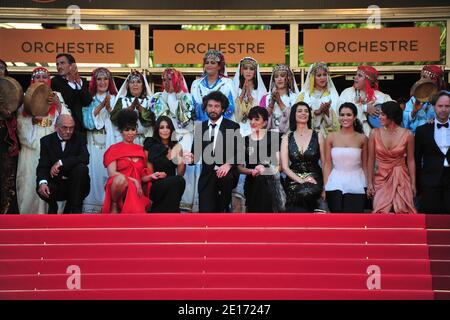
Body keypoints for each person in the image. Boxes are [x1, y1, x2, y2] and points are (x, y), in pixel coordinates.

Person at [17, 67, 71, 214]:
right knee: (29, 181)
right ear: (33, 80)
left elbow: (67, 121)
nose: (41, 80)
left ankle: (51, 218)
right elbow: (20, 124)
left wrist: (58, 105)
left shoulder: (56, 95)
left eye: (44, 77)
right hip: (32, 144)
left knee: (52, 180)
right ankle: (28, 219)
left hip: (52, 143)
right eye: (38, 77)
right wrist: (32, 121)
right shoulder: (25, 97)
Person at [184, 91, 241, 212]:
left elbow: (240, 152)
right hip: (208, 175)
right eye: (210, 106)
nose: (213, 109)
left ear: (223, 109)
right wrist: (190, 158)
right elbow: (196, 154)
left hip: (227, 174)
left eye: (216, 106)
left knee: (224, 183)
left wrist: (228, 164)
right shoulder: (200, 128)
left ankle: (224, 211)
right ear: (206, 108)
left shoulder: (232, 126)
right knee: (206, 212)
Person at [150, 68, 195, 211]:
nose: (167, 82)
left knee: (185, 172)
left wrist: (179, 94)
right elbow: (160, 118)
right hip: (167, 138)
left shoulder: (186, 97)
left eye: (170, 79)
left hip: (185, 137)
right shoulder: (157, 97)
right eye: (164, 80)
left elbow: (184, 119)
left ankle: (186, 207)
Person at [367, 101, 417, 214]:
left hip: (401, 179)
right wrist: (369, 182)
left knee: (403, 213)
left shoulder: (408, 134)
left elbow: (410, 160)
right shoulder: (374, 133)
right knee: (380, 212)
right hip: (380, 179)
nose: (379, 117)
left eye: (383, 114)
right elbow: (370, 159)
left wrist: (413, 183)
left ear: (392, 116)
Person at [36, 114, 90, 214]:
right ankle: (53, 207)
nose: (69, 131)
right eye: (65, 128)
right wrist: (42, 183)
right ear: (56, 127)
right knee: (42, 183)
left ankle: (75, 209)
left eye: (71, 128)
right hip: (55, 184)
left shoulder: (79, 138)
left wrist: (61, 162)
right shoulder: (46, 141)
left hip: (74, 184)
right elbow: (43, 165)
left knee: (82, 168)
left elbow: (85, 158)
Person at [81, 67, 118, 213]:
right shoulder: (89, 100)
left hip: (110, 141)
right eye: (99, 79)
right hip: (93, 143)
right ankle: (92, 209)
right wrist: (102, 105)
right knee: (94, 173)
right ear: (94, 82)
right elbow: (87, 123)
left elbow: (119, 122)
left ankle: (110, 206)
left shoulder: (116, 99)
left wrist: (109, 108)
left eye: (105, 79)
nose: (102, 82)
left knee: (109, 173)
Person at [102, 109, 152, 214]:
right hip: (118, 185)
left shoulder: (141, 150)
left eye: (133, 129)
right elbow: (112, 173)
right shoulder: (114, 149)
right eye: (127, 130)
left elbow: (142, 176)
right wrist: (133, 181)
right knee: (120, 179)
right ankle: (114, 204)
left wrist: (152, 176)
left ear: (136, 131)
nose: (130, 133)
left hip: (136, 188)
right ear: (121, 131)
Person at [323, 102, 368, 213]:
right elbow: (327, 164)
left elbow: (366, 164)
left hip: (357, 182)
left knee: (355, 220)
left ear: (355, 117)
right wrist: (325, 187)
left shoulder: (362, 139)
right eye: (342, 115)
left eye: (348, 115)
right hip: (334, 183)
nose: (345, 118)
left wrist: (368, 185)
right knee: (336, 221)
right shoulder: (331, 137)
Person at [280, 102, 325, 212]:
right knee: (294, 196)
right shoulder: (287, 137)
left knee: (305, 193)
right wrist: (301, 180)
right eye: (299, 111)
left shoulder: (318, 135)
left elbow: (325, 163)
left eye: (306, 111)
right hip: (293, 178)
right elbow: (285, 167)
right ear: (294, 115)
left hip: (314, 177)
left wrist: (325, 187)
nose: (303, 113)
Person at [238, 107, 281, 212]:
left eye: (256, 119)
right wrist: (252, 171)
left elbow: (279, 166)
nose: (252, 122)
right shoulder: (244, 140)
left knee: (263, 181)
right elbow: (239, 168)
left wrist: (265, 171)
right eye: (251, 119)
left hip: (272, 180)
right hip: (252, 181)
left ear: (265, 122)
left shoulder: (274, 137)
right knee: (258, 182)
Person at [415, 91, 450, 214]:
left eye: (447, 106)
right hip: (430, 181)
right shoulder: (422, 130)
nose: (444, 109)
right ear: (434, 107)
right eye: (440, 106)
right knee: (431, 220)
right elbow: (416, 159)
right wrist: (418, 184)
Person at [144, 116, 186, 212]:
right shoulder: (150, 144)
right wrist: (157, 175)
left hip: (173, 184)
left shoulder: (177, 146)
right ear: (157, 130)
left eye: (168, 127)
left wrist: (182, 159)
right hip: (156, 185)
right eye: (162, 127)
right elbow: (148, 172)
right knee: (177, 181)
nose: (165, 130)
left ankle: (164, 214)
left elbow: (180, 173)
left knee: (180, 181)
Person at [338, 65, 392, 137]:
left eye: (359, 75)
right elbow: (339, 111)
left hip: (376, 138)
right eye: (356, 74)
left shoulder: (381, 97)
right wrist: (364, 108)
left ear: (368, 80)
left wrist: (380, 113)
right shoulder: (347, 92)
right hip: (353, 137)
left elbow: (394, 111)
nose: (355, 77)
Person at [110, 69, 155, 145]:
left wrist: (140, 109)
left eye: (138, 82)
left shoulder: (150, 101)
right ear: (128, 85)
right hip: (125, 141)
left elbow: (153, 119)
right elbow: (113, 119)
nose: (135, 85)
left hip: (146, 141)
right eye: (132, 82)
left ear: (143, 85)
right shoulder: (122, 100)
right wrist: (129, 109)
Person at [51, 53, 92, 133]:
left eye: (62, 63)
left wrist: (78, 83)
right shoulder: (55, 82)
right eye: (57, 64)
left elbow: (87, 101)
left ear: (72, 65)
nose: (59, 67)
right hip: (63, 129)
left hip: (80, 129)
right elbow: (68, 101)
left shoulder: (82, 81)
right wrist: (70, 81)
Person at [191, 49, 236, 122]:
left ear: (219, 66)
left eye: (212, 63)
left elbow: (231, 108)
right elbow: (193, 107)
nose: (209, 65)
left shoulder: (228, 83)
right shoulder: (196, 84)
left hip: (223, 126)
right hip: (201, 125)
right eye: (207, 62)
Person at [298, 62, 340, 138]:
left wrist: (327, 112)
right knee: (273, 147)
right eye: (319, 75)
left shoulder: (332, 94)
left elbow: (339, 119)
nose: (322, 78)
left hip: (328, 136)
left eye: (324, 74)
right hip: (307, 136)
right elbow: (296, 116)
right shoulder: (304, 96)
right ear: (312, 77)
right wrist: (316, 112)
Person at [403, 65, 446, 133]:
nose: (421, 80)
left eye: (424, 77)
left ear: (434, 80)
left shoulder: (446, 97)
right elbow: (404, 121)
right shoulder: (414, 98)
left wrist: (437, 120)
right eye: (421, 77)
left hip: (439, 136)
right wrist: (413, 112)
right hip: (416, 137)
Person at [0, 68, 19, 213]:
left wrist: (6, 113)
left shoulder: (9, 88)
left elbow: (13, 118)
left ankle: (5, 212)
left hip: (4, 140)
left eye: (1, 67)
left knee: (6, 178)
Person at [232, 57, 267, 137]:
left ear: (255, 72)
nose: (248, 71)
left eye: (251, 69)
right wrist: (241, 95)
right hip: (237, 129)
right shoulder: (234, 89)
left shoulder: (261, 91)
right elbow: (231, 111)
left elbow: (261, 113)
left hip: (254, 130)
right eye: (245, 68)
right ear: (241, 71)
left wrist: (249, 96)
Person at [260, 64, 299, 133]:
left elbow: (296, 118)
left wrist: (279, 101)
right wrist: (272, 102)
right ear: (273, 80)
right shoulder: (265, 98)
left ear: (288, 78)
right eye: (276, 76)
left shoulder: (296, 97)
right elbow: (261, 119)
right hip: (270, 137)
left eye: (282, 76)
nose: (279, 79)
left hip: (289, 134)